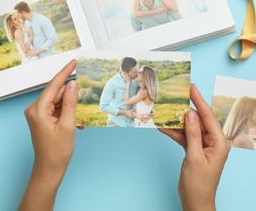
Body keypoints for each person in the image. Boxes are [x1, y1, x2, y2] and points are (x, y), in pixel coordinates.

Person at [19, 60, 230, 211]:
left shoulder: (138, 89)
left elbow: (130, 103)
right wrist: (200, 205)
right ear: (127, 71)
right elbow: (112, 106)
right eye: (134, 73)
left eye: (139, 74)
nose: (136, 76)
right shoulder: (120, 85)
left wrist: (46, 170)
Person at [99, 57, 140, 127]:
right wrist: (125, 113)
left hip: (134, 123)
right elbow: (103, 106)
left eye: (138, 70)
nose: (137, 73)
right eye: (134, 72)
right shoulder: (112, 83)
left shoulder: (137, 80)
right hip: (115, 123)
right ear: (125, 73)